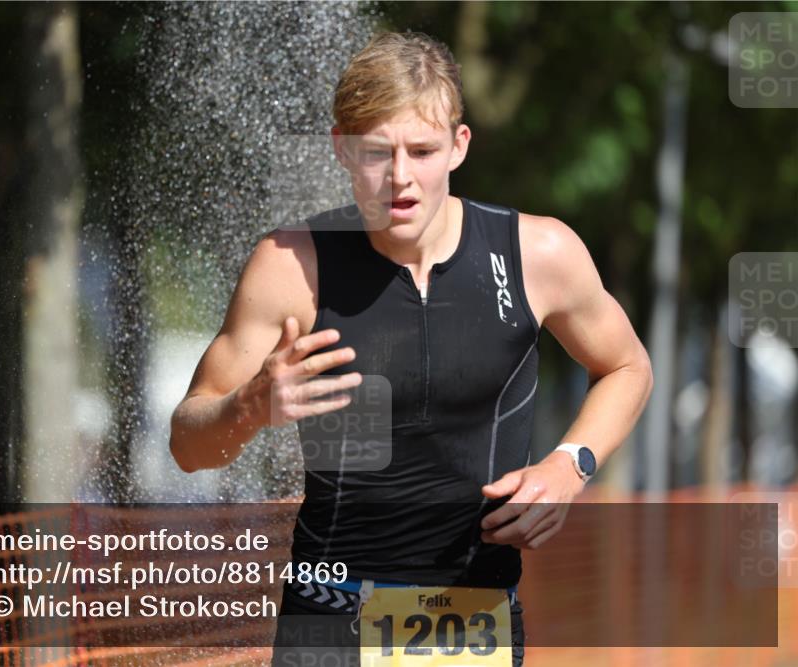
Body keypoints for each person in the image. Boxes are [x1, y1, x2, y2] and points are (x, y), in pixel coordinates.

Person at [170, 31, 653, 666]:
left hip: (473, 621)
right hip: (332, 615)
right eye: (377, 153)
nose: (400, 178)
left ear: (459, 146)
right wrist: (252, 405)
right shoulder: (291, 266)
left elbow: (626, 365)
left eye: (421, 151)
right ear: (342, 149)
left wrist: (571, 464)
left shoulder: (539, 253)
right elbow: (187, 443)